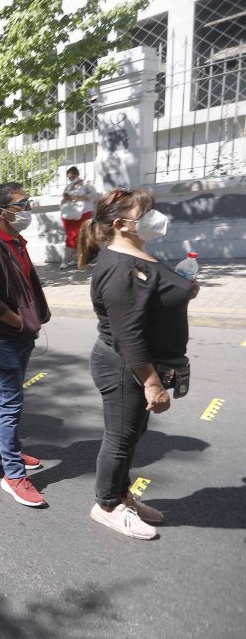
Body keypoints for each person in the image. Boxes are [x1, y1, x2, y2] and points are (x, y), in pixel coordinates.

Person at [79, 188, 195, 539]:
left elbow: (154, 298)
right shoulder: (119, 267)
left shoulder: (137, 253)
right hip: (124, 365)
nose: (154, 217)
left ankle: (121, 494)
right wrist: (152, 382)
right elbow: (127, 334)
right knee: (120, 437)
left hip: (140, 363)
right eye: (145, 213)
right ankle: (107, 505)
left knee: (131, 435)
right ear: (121, 224)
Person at [0, 182, 52, 508]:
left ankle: (0, 452)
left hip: (19, 335)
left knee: (6, 397)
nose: (28, 209)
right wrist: (18, 322)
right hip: (1, 337)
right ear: (1, 212)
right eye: (22, 204)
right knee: (10, 402)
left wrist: (28, 322)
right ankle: (13, 475)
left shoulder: (14, 240)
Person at [59, 166, 100, 269]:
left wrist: (77, 198)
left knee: (72, 236)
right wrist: (66, 198)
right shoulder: (68, 186)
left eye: (73, 177)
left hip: (83, 212)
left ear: (77, 174)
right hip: (68, 213)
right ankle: (75, 259)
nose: (71, 179)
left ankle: (65, 261)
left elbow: (95, 195)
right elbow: (62, 199)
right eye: (69, 178)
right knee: (74, 236)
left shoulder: (86, 183)